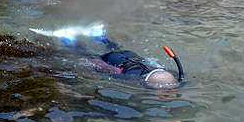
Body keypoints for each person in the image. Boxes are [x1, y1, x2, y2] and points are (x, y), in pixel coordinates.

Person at [49, 24, 184, 88]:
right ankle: (68, 39)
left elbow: (156, 64)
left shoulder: (171, 74)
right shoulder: (131, 77)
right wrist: (94, 63)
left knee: (117, 48)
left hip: (133, 56)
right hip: (114, 60)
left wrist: (150, 60)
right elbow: (108, 68)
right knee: (89, 54)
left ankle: (100, 36)